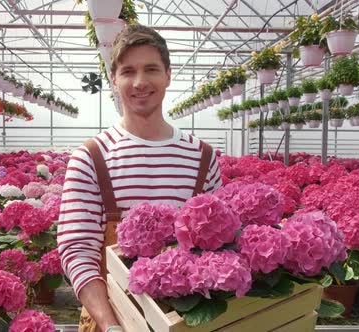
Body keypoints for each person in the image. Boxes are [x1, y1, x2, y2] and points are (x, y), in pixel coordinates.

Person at [57, 24, 222, 332]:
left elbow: (220, 246)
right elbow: (76, 248)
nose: (140, 82)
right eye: (128, 71)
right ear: (114, 80)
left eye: (151, 69)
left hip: (186, 321)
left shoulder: (202, 157)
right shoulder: (92, 157)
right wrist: (111, 325)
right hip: (109, 321)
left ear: (168, 75)